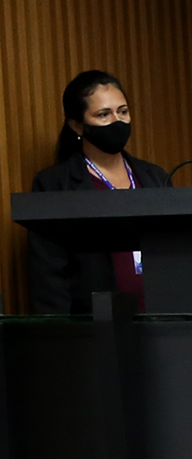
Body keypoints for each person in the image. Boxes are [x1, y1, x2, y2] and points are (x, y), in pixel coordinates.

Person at [27, 70, 170, 315]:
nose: (117, 121)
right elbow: (48, 275)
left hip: (161, 319)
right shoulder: (55, 184)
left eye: (123, 112)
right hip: (95, 324)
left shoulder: (156, 178)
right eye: (104, 115)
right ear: (76, 125)